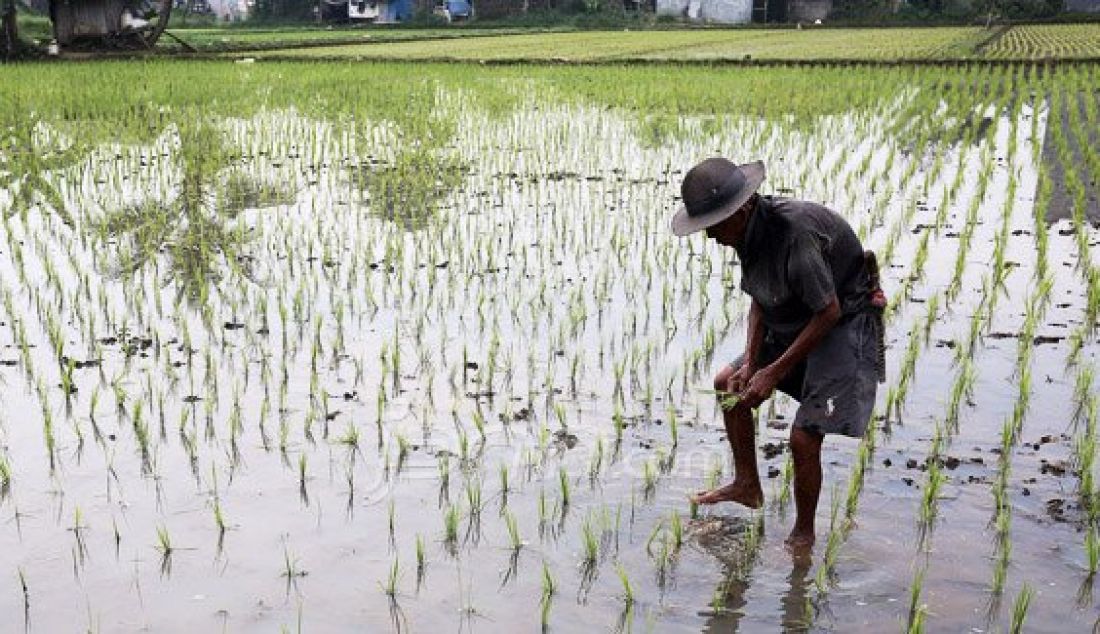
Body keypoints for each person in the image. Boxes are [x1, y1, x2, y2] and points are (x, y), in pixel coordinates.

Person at [670, 157, 885, 549]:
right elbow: (759, 300)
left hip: (842, 323)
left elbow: (828, 311)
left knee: (804, 437)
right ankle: (747, 485)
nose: (711, 236)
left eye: (715, 225)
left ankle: (803, 534)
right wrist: (753, 363)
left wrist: (773, 372)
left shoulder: (794, 235)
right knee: (727, 384)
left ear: (744, 209)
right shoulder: (747, 234)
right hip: (797, 314)